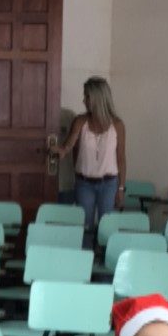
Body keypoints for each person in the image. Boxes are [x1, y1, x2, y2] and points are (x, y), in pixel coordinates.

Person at [49, 77, 126, 236]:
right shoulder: (80, 121)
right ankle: (85, 251)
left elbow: (121, 158)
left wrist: (121, 188)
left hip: (109, 184)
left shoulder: (117, 125)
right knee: (85, 227)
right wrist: (60, 151)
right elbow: (68, 145)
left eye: (87, 96)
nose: (84, 100)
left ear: (98, 98)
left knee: (107, 228)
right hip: (84, 184)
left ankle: (105, 252)